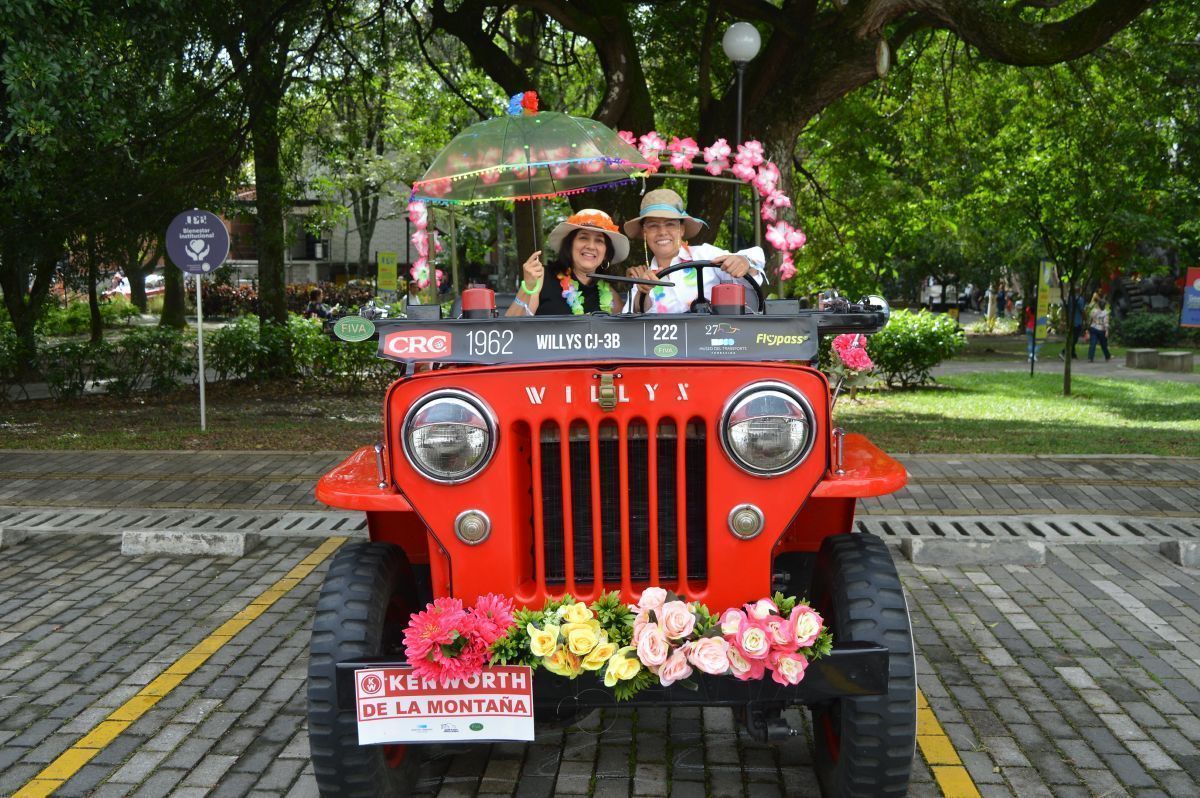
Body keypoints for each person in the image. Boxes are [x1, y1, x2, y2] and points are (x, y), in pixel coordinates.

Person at [621, 189, 765, 314]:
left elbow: (754, 260)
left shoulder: (705, 254)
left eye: (670, 224)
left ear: (681, 229)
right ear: (644, 233)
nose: (662, 232)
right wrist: (643, 291)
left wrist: (744, 262)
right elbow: (632, 319)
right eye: (653, 226)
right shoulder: (643, 277)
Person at [506, 209, 629, 316]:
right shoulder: (542, 277)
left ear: (606, 253)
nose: (591, 246)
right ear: (569, 245)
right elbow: (509, 331)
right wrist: (528, 287)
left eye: (599, 241)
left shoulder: (611, 296)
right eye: (583, 237)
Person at [1059, 292, 1085, 360]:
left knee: (1072, 337)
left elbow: (1065, 307)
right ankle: (1063, 352)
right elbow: (1082, 310)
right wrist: (1085, 317)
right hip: (1077, 321)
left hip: (1070, 321)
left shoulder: (1070, 299)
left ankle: (1073, 354)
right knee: (1074, 339)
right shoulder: (1080, 299)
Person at [1087, 297, 1111, 362]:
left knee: (1099, 344)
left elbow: (1106, 322)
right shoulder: (1098, 311)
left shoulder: (1103, 312)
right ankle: (1091, 357)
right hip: (1097, 329)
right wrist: (1107, 331)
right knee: (1097, 344)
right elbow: (1092, 317)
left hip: (1098, 329)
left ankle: (1106, 356)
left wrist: (1106, 331)